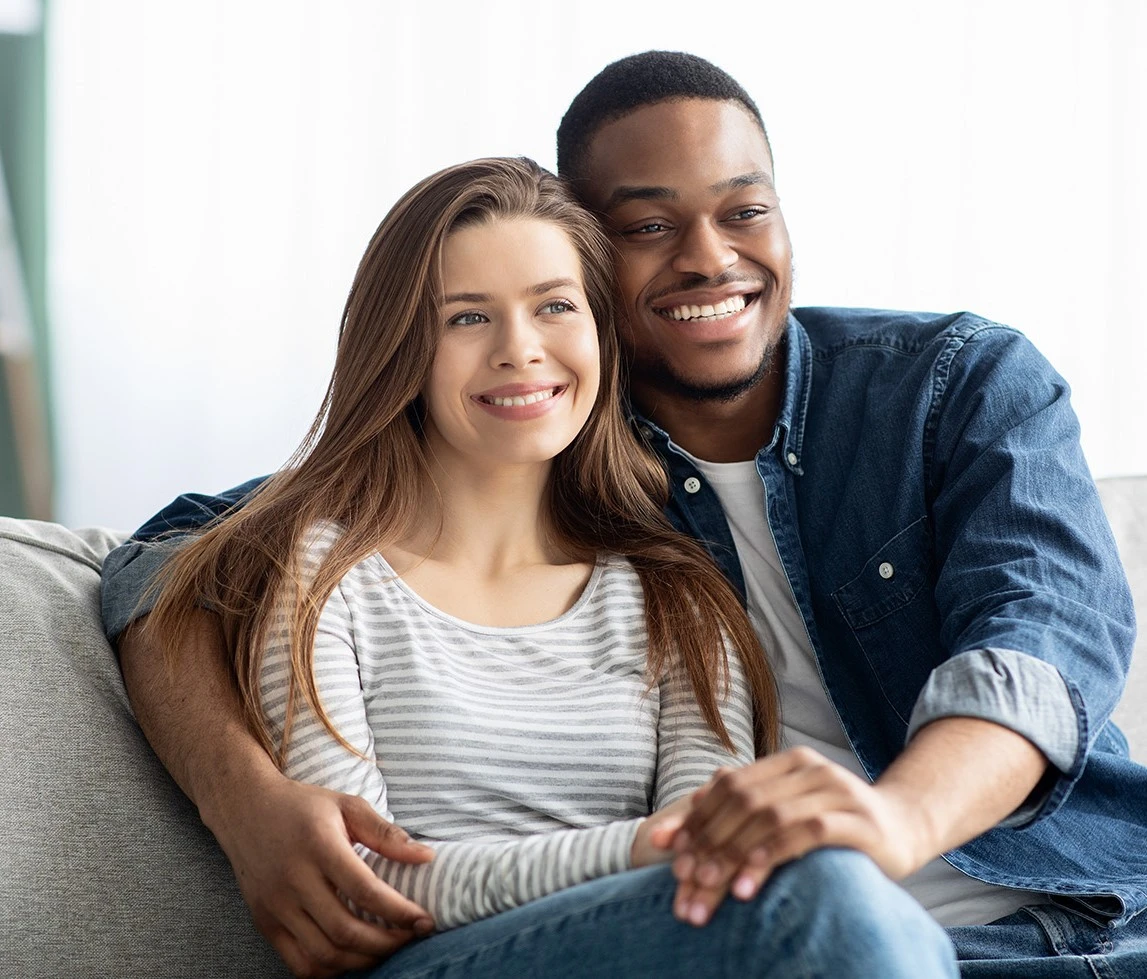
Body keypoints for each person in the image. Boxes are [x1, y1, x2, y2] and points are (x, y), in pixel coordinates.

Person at [101, 52, 1146, 978]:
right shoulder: (507, 471)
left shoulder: (947, 389)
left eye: (744, 210)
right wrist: (239, 796)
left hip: (1081, 913)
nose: (707, 257)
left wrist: (894, 818)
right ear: (598, 263)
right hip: (765, 925)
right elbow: (166, 556)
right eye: (648, 226)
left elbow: (1041, 639)